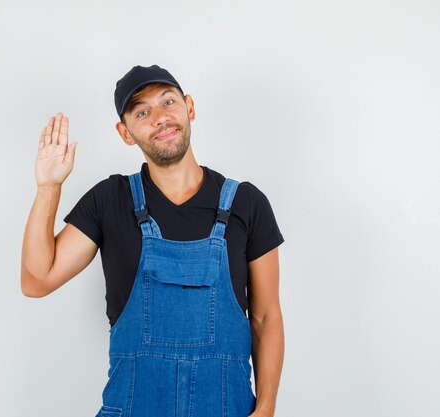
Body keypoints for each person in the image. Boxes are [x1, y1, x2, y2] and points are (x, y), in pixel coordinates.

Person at [21, 64, 285, 417]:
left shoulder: (246, 204)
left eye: (168, 102)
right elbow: (37, 280)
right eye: (142, 112)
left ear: (189, 107)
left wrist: (266, 409)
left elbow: (266, 318)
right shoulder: (109, 200)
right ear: (125, 133)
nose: (160, 117)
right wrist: (48, 188)